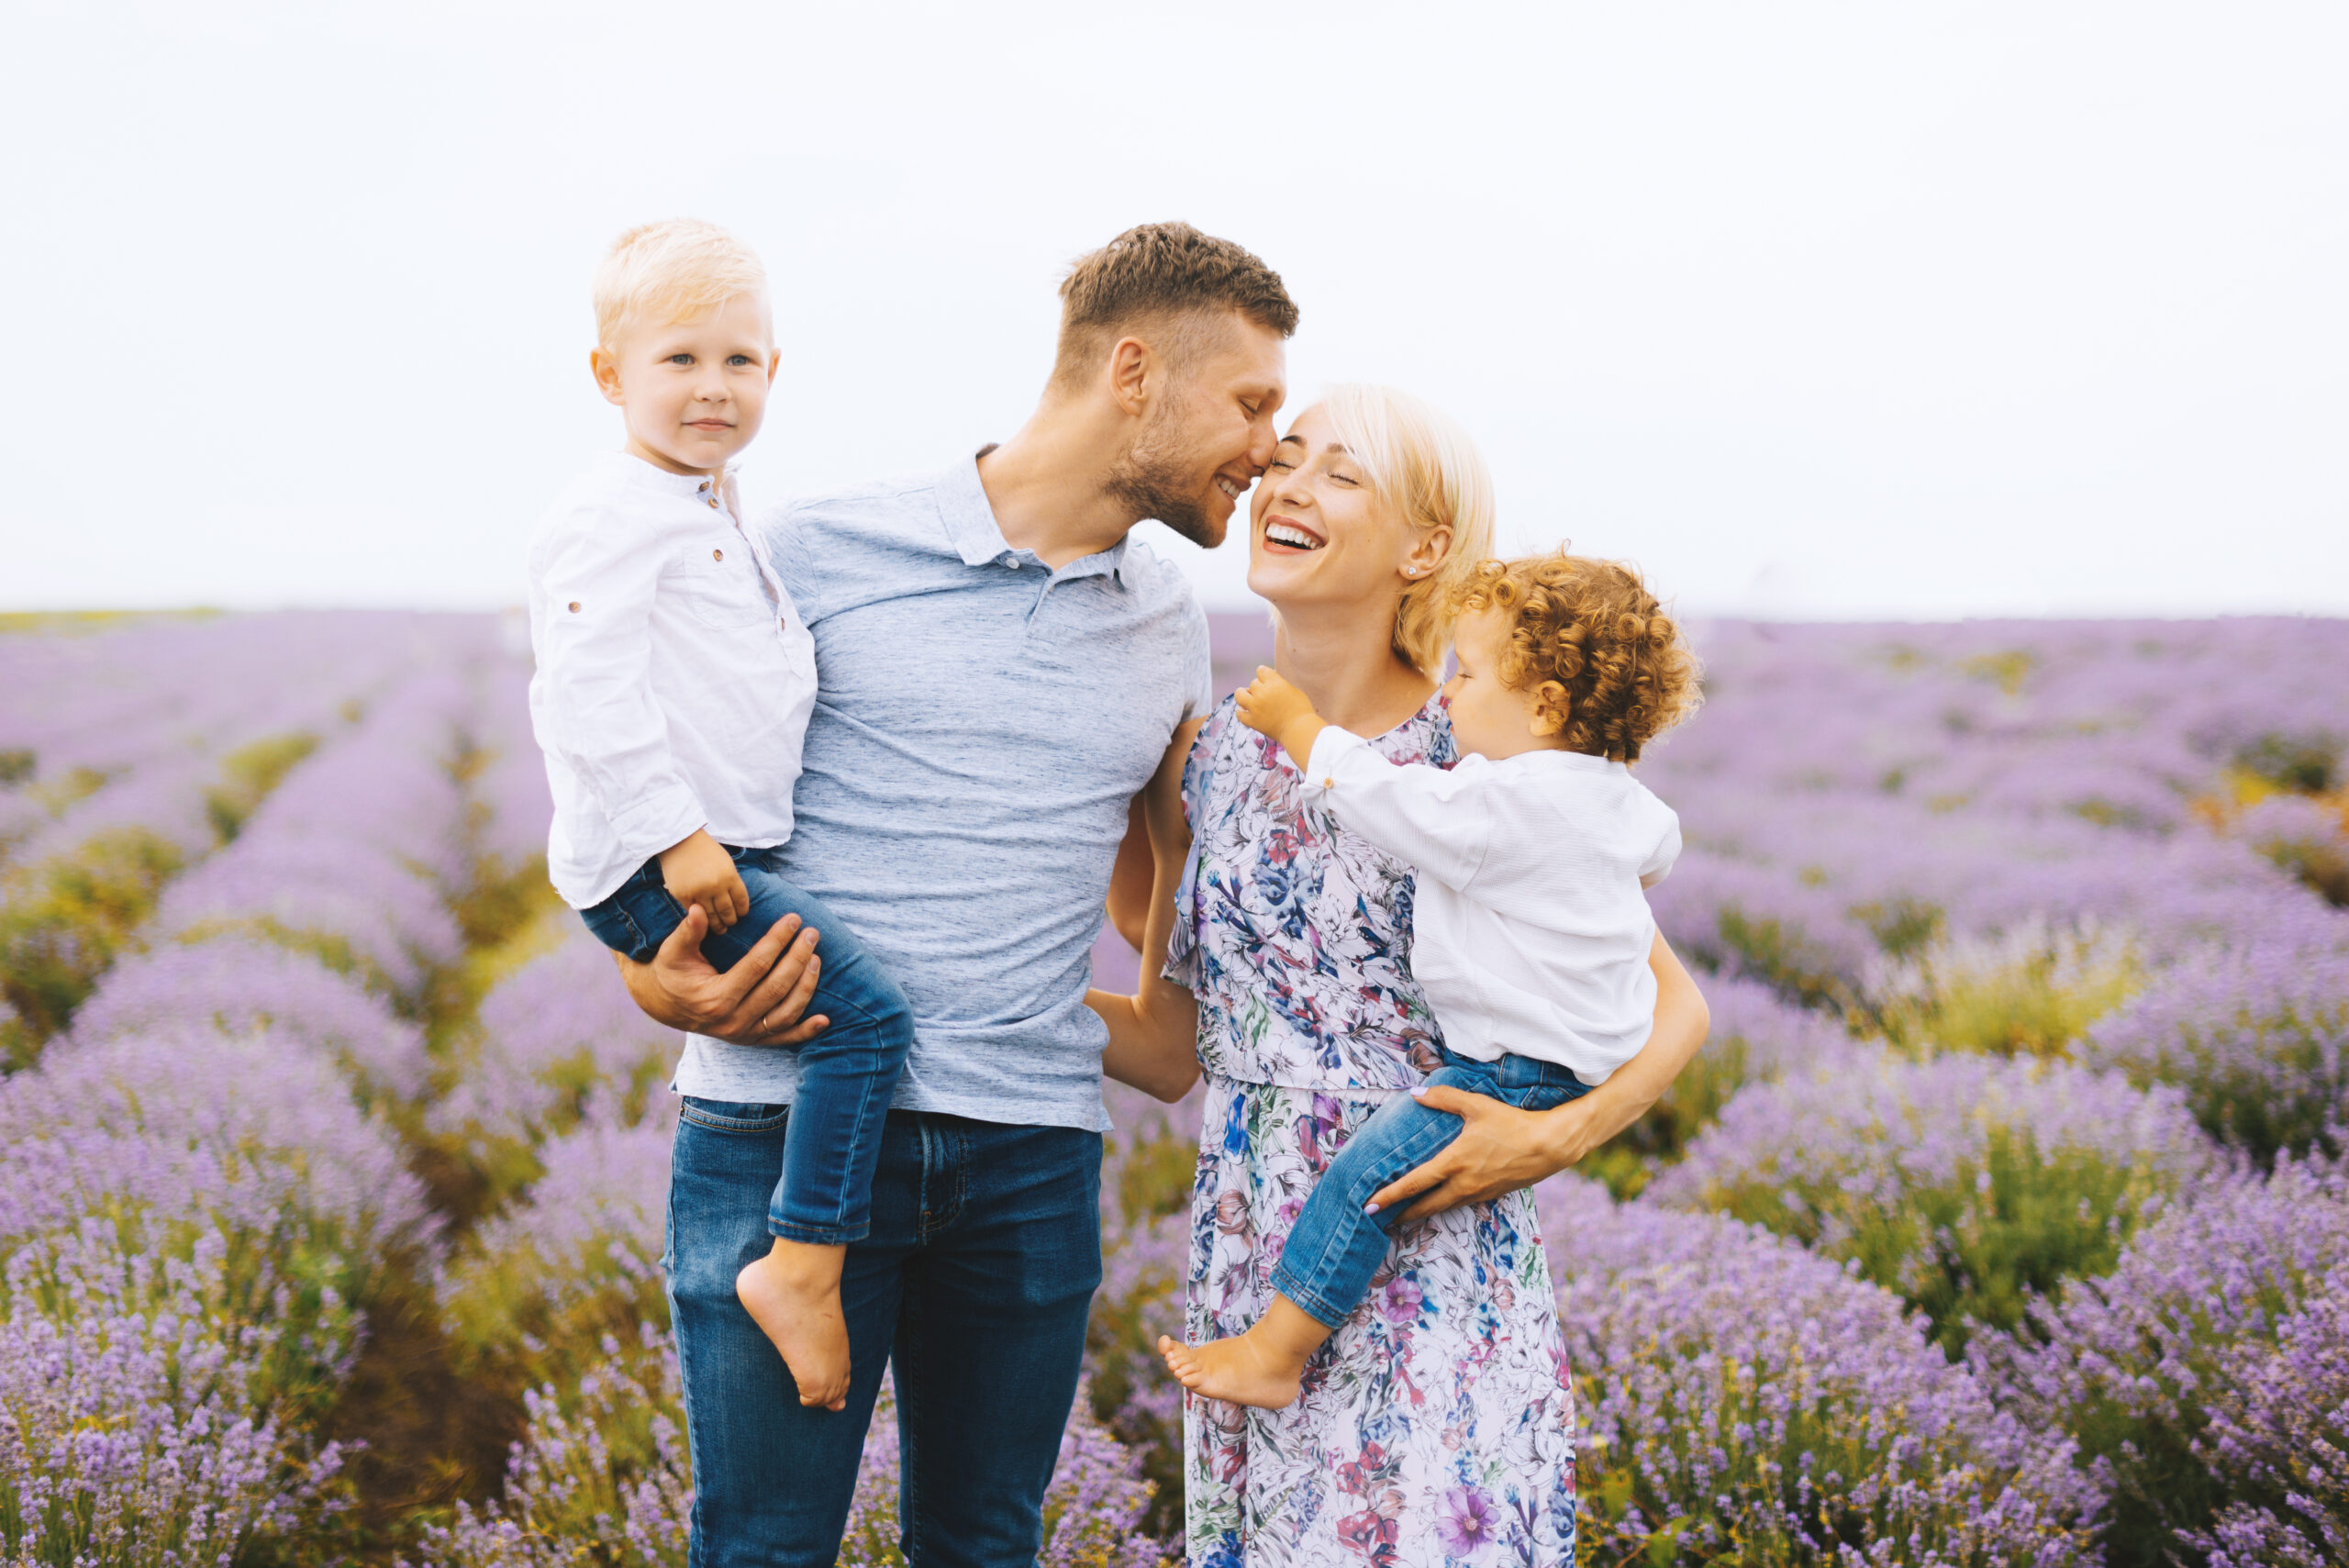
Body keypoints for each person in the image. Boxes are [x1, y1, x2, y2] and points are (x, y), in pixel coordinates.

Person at [610, 221, 1297, 1568]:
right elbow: (645, 782)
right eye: (1254, 402)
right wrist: (650, 966)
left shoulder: (1166, 614)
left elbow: (1166, 886)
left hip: (1029, 1154)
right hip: (783, 1132)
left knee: (985, 1543)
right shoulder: (817, 552)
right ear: (1137, 371)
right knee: (762, 1544)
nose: (1270, 442)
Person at [1089, 386, 1711, 1566]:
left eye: (1342, 472)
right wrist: (961, 990)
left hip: (1431, 1228)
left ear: (1426, 545)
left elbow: (1675, 1002)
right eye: (1285, 459)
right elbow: (1171, 1048)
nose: (1289, 484)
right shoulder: (1206, 755)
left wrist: (1560, 1134)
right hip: (1253, 1231)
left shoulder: (1478, 746)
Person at [1158, 551, 1699, 1408]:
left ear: (1546, 706)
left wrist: (1298, 726)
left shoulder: (1505, 805)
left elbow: (1389, 801)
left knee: (1363, 1183)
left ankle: (1277, 1350)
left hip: (1501, 1077)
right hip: (1563, 1065)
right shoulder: (1618, 801)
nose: (1450, 692)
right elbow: (1654, 855)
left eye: (1471, 673)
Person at [526, 217, 914, 1412]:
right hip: (665, 858)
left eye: (740, 361)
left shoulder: (712, 506)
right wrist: (677, 831)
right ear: (609, 377)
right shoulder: (613, 513)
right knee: (867, 1020)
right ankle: (800, 1264)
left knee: (835, 1017)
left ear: (776, 372)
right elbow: (581, 694)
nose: (714, 386)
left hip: (718, 845)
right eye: (680, 360)